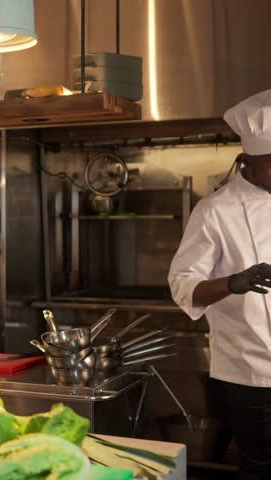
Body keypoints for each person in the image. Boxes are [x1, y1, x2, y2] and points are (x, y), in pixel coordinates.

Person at [168, 89, 271, 480]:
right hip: (252, 372)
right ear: (246, 161)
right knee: (259, 466)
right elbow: (182, 284)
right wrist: (233, 282)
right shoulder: (215, 211)